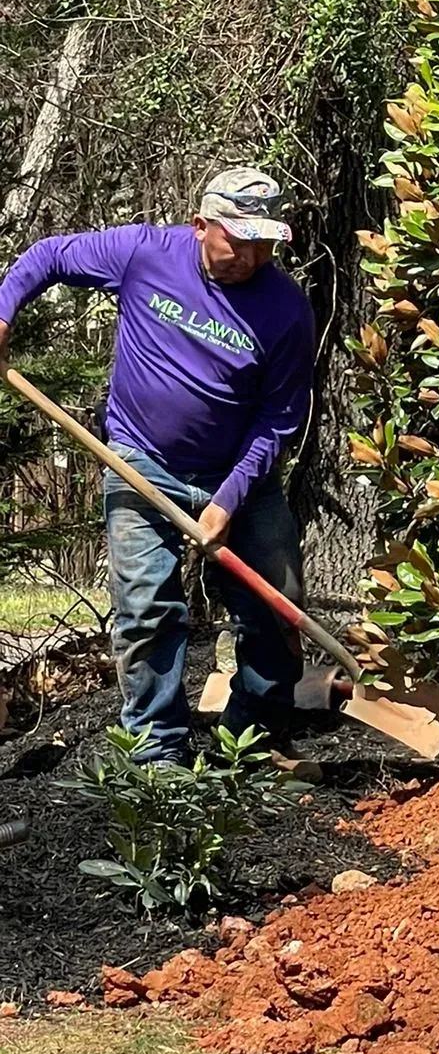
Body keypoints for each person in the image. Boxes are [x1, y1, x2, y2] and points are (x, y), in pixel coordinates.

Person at [0, 168, 316, 767]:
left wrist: (228, 498)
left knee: (277, 606)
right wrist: (3, 314)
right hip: (141, 462)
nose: (251, 256)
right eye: (237, 240)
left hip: (239, 475)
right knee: (147, 610)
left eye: (264, 243)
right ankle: (157, 755)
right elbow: (46, 257)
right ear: (201, 227)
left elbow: (279, 417)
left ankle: (250, 742)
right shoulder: (146, 254)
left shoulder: (286, 310)